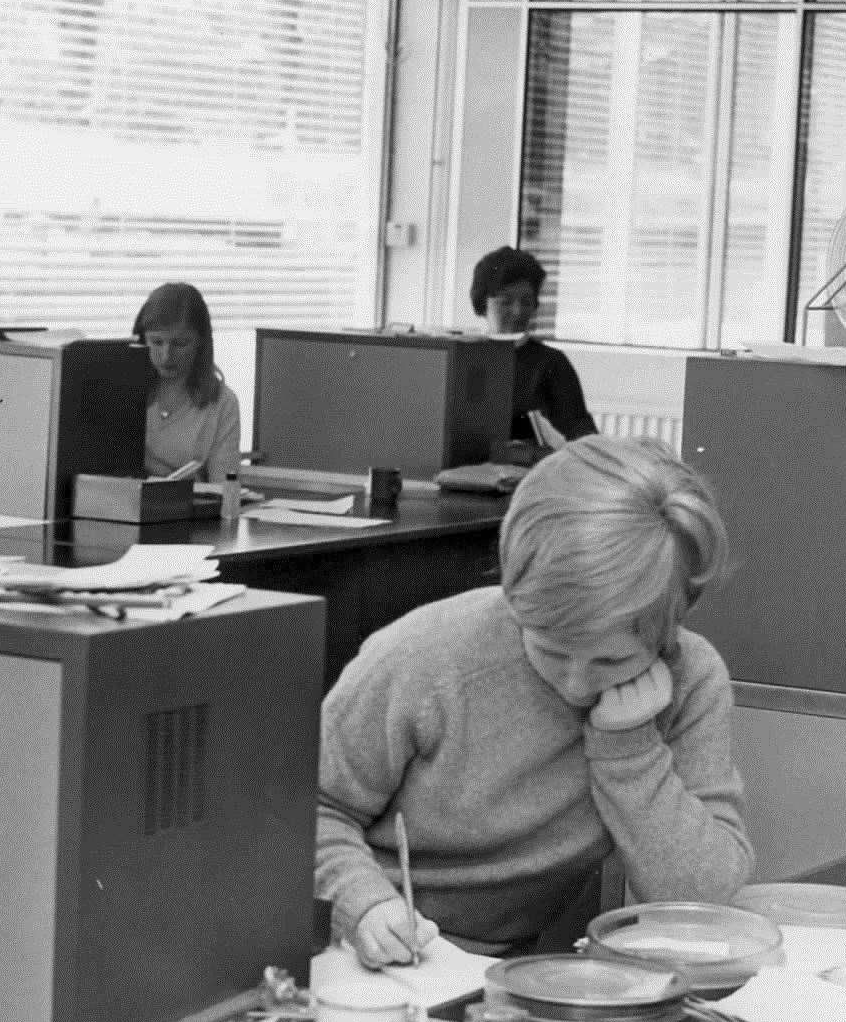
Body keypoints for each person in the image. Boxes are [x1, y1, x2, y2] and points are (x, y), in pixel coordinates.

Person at [317, 434, 755, 968]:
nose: (575, 685)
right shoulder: (422, 658)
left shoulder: (692, 680)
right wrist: (362, 905)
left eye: (611, 662)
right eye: (550, 649)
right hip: (366, 954)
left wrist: (630, 751)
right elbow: (305, 814)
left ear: (671, 626)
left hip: (513, 967)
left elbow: (706, 904)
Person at [470, 246, 597, 445]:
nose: (517, 311)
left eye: (527, 301)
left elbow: (582, 434)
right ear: (483, 304)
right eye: (506, 302)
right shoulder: (464, 356)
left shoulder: (552, 363)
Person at [134, 281, 240, 483]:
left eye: (180, 344)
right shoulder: (121, 389)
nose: (166, 356)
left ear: (200, 342)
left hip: (188, 510)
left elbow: (224, 490)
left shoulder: (222, 403)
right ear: (142, 339)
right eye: (157, 342)